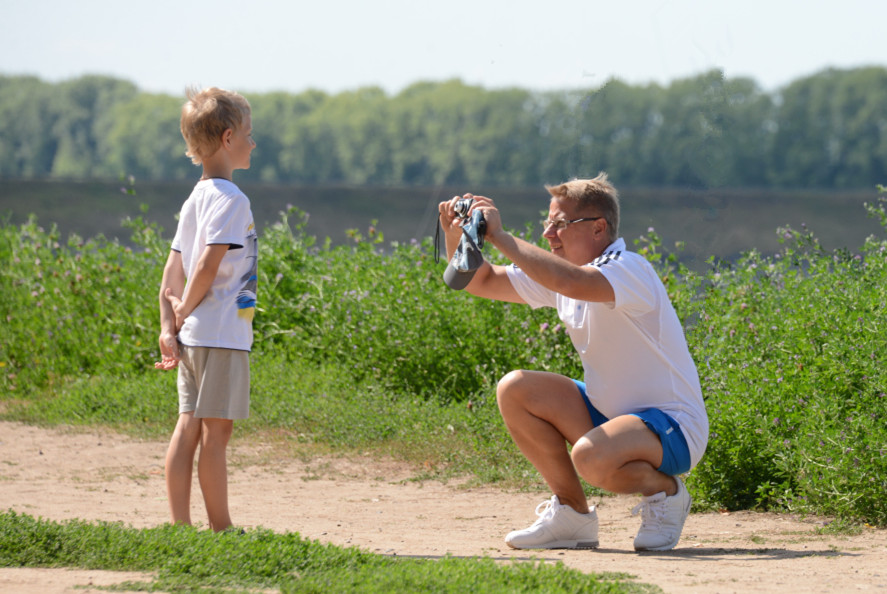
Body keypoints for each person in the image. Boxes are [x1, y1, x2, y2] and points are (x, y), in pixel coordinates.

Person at [438, 173, 707, 551]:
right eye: (547, 222)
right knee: (516, 389)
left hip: (675, 427)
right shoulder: (562, 275)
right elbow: (481, 281)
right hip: (611, 418)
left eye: (560, 224)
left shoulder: (628, 268)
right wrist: (458, 232)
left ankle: (665, 492)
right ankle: (572, 516)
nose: (549, 233)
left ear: (599, 228)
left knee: (591, 457)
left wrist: (500, 236)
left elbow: (574, 283)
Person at [154, 87, 258, 532]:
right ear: (229, 137)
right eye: (250, 134)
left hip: (195, 336)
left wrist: (168, 324)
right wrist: (182, 315)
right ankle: (221, 528)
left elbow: (171, 273)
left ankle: (180, 526)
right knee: (217, 435)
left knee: (187, 429)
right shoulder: (232, 200)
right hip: (220, 334)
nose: (254, 143)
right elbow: (207, 266)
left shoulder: (194, 198)